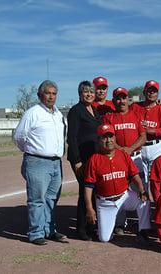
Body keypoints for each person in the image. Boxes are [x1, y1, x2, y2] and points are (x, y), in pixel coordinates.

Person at [13, 80, 67, 245]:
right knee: (37, 199)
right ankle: (36, 233)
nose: (51, 96)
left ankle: (49, 230)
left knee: (51, 198)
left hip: (56, 162)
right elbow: (19, 137)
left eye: (54, 93)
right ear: (40, 95)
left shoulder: (58, 114)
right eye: (48, 93)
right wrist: (32, 151)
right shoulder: (32, 113)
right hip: (37, 161)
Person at [83, 124, 151, 243]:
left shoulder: (123, 155)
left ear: (115, 138)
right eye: (105, 137)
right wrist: (89, 207)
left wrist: (141, 188)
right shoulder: (94, 160)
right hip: (105, 202)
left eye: (111, 137)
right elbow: (88, 186)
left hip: (124, 197)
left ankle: (143, 231)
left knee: (143, 200)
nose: (109, 140)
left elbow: (134, 175)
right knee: (104, 239)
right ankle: (107, 225)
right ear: (99, 140)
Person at [103, 87, 147, 234]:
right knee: (119, 189)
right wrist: (121, 149)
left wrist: (130, 149)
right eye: (118, 98)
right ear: (114, 101)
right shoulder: (109, 117)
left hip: (135, 156)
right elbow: (107, 137)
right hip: (117, 157)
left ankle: (143, 224)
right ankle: (120, 223)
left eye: (124, 98)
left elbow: (143, 136)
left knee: (140, 188)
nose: (121, 101)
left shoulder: (135, 115)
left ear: (128, 100)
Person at [67, 80, 102, 241]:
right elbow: (72, 138)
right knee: (85, 192)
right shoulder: (76, 111)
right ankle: (81, 229)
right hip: (82, 158)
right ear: (80, 94)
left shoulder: (94, 110)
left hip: (94, 158)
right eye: (85, 92)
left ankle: (91, 227)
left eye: (91, 92)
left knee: (94, 192)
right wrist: (77, 161)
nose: (89, 94)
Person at [130, 80, 161, 188]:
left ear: (158, 94)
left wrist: (150, 130)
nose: (151, 93)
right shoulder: (135, 107)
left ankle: (159, 203)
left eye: (154, 91)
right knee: (141, 181)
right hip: (139, 147)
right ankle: (143, 203)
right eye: (149, 90)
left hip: (156, 146)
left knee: (157, 179)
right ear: (144, 92)